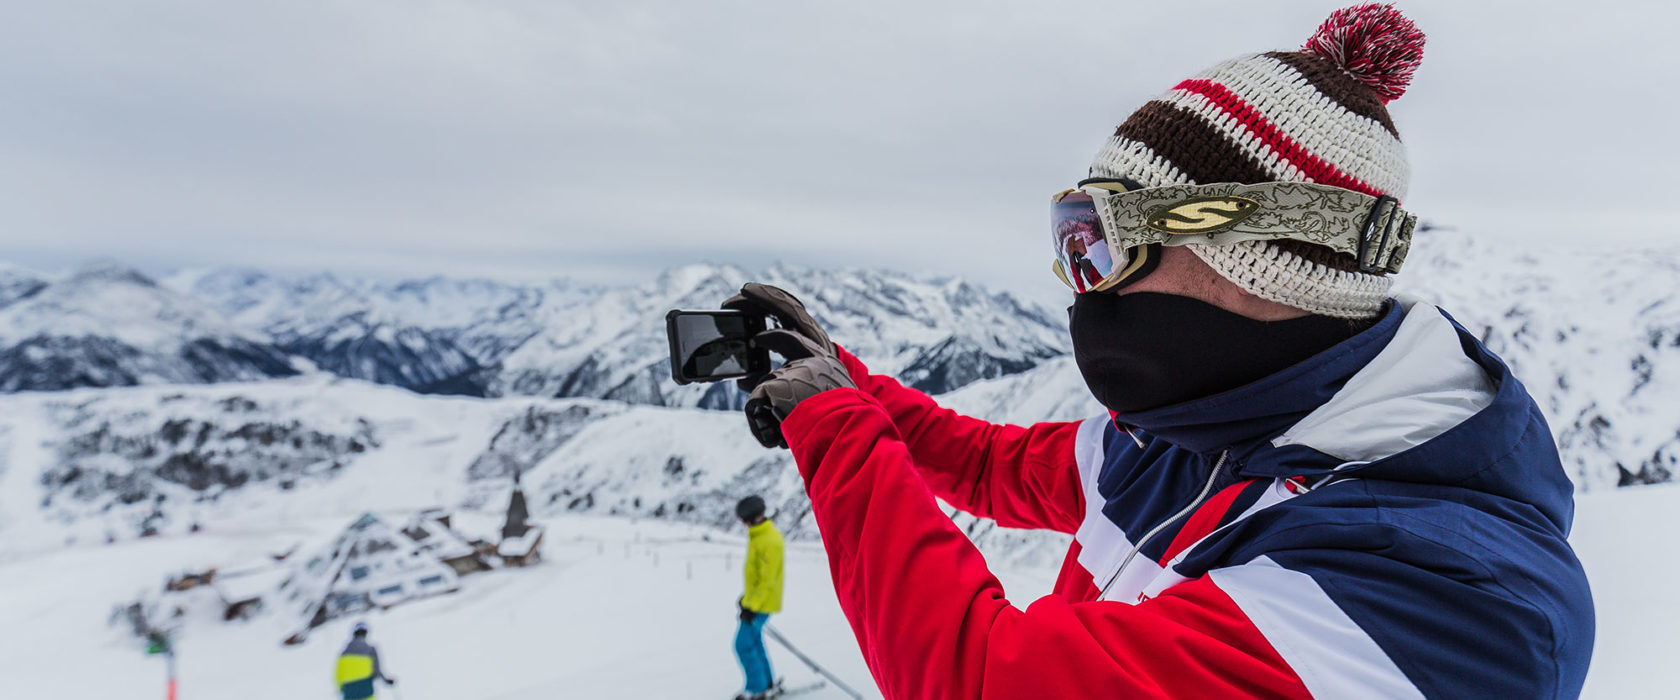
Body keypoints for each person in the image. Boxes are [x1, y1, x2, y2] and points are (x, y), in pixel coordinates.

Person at [725, 4, 1593, 699]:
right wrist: (841, 380)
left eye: (1101, 241)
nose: (1080, 281)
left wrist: (838, 429)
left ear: (1260, 257)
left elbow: (982, 678)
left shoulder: (1453, 598)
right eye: (1070, 237)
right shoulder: (1194, 434)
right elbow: (987, 467)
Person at [733, 495, 784, 700]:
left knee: (743, 644)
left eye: (744, 519)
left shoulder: (769, 540)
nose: (743, 524)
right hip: (758, 602)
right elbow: (756, 576)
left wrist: (751, 606)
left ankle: (757, 689)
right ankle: (766, 683)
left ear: (754, 517)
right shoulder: (759, 535)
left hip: (762, 604)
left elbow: (767, 581)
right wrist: (746, 600)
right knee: (754, 641)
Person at [336, 622, 395, 700]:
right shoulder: (370, 650)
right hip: (366, 691)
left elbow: (338, 675)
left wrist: (342, 688)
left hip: (349, 692)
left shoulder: (344, 654)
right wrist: (386, 680)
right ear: (366, 633)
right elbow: (376, 671)